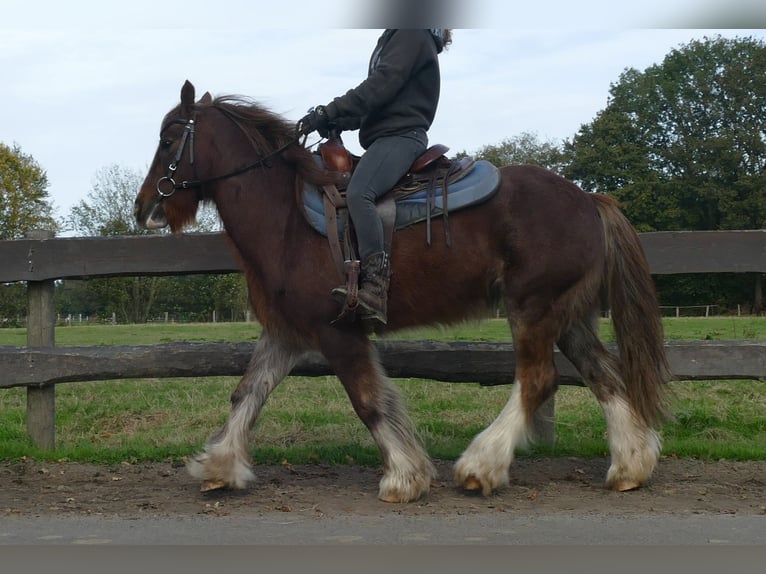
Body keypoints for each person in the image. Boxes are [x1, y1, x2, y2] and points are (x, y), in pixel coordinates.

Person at [298, 28, 452, 330]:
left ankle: (375, 289)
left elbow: (381, 86)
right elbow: (377, 104)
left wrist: (329, 109)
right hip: (385, 137)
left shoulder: (412, 33)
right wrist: (334, 119)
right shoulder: (397, 36)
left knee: (360, 193)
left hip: (401, 136)